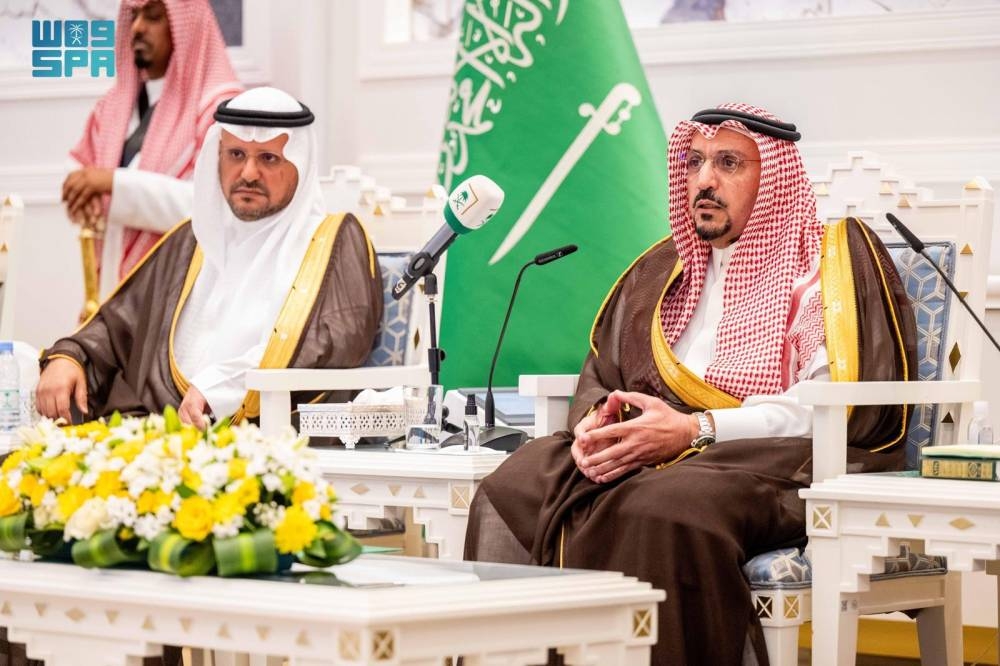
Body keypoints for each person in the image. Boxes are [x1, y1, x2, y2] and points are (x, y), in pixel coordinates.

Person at [464, 103, 917, 665]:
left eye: (728, 163)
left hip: (777, 461)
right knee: (516, 481)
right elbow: (604, 375)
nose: (704, 180)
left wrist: (696, 429)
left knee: (664, 505)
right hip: (660, 453)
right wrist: (596, 426)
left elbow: (827, 406)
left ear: (775, 177)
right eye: (694, 161)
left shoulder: (826, 265)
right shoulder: (661, 271)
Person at [36, 87, 383, 429]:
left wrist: (223, 387)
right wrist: (72, 356)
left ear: (300, 165)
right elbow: (119, 325)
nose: (248, 173)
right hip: (156, 432)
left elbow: (333, 341)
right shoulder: (192, 240)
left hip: (270, 440)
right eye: (236, 154)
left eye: (268, 158)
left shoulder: (331, 240)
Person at [62, 0, 243, 297]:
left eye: (154, 16)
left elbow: (212, 208)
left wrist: (111, 185)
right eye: (133, 15)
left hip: (182, 293)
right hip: (116, 293)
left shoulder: (220, 109)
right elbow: (80, 172)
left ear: (186, 27)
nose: (137, 27)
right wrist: (84, 194)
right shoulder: (113, 107)